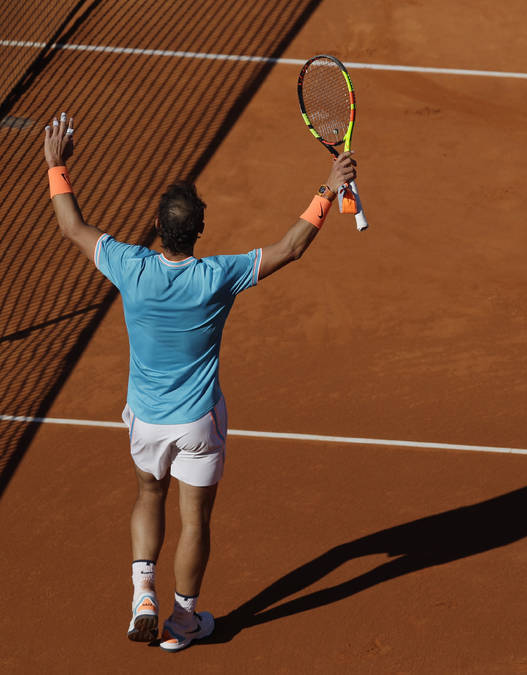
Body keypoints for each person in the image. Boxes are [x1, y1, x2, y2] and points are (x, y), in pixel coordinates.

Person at [43, 111, 357, 652]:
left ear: (158, 229)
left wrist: (57, 166)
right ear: (199, 232)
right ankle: (183, 624)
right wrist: (326, 191)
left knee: (148, 492)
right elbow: (289, 248)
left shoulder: (130, 267)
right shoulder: (216, 277)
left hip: (146, 417)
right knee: (195, 520)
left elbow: (72, 227)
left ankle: (144, 592)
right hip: (198, 424)